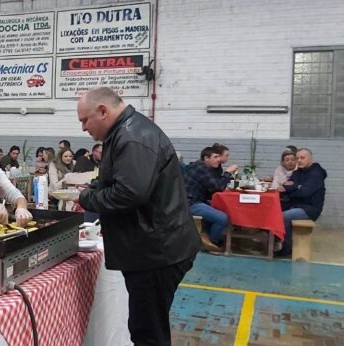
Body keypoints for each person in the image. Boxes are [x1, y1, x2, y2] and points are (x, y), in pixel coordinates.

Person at [76, 87, 200, 345]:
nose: (83, 128)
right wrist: (97, 188)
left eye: (84, 120)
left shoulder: (132, 137)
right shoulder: (125, 132)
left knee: (148, 333)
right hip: (152, 247)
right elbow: (120, 180)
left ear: (103, 111)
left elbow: (128, 194)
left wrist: (86, 198)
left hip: (156, 252)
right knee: (147, 326)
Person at [276, 148, 326, 257]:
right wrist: (296, 187)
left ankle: (286, 248)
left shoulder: (316, 173)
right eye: (297, 158)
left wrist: (293, 189)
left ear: (310, 159)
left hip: (310, 209)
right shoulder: (297, 172)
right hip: (296, 204)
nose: (299, 160)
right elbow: (286, 185)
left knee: (283, 216)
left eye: (302, 158)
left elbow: (305, 192)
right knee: (273, 210)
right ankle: (273, 240)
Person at [185, 147, 237, 251]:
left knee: (220, 208)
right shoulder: (200, 168)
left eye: (219, 156)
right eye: (215, 157)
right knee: (223, 218)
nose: (218, 159)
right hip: (189, 203)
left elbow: (215, 184)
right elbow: (218, 187)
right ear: (206, 158)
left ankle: (206, 236)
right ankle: (212, 244)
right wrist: (227, 173)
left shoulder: (206, 167)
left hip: (197, 200)